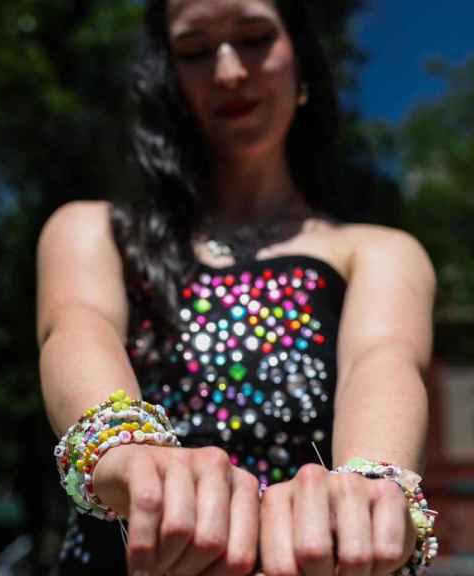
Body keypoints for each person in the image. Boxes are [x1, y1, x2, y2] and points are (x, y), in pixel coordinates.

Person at [37, 0, 436, 574]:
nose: (228, 71)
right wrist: (126, 453)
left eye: (254, 38)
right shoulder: (92, 230)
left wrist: (370, 488)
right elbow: (78, 324)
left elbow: (382, 359)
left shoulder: (377, 252)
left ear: (303, 66)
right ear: (167, 79)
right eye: (195, 50)